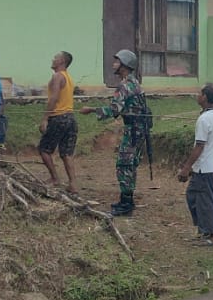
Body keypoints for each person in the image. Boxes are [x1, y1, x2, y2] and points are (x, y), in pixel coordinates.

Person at [80, 50, 151, 217]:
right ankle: (127, 200)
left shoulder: (124, 86)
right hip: (140, 130)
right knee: (130, 165)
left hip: (132, 131)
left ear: (124, 65)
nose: (114, 64)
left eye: (117, 61)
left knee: (124, 165)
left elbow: (114, 110)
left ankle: (126, 204)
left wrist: (91, 110)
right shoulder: (135, 83)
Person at [177, 83, 213, 244]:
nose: (197, 95)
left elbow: (199, 146)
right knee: (193, 195)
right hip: (210, 165)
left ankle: (212, 235)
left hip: (205, 167)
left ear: (204, 97)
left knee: (205, 200)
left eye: (199, 93)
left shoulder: (204, 119)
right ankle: (204, 230)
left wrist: (186, 168)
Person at [38, 51, 79, 193]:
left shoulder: (57, 76)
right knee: (67, 153)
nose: (52, 59)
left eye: (55, 57)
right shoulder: (68, 77)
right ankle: (73, 184)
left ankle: (55, 178)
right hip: (70, 118)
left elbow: (54, 99)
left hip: (58, 117)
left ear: (62, 61)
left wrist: (45, 118)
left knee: (44, 149)